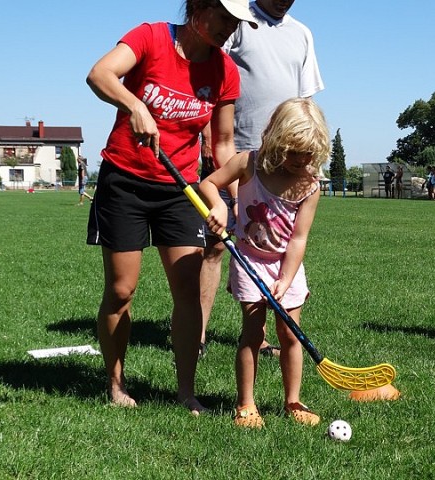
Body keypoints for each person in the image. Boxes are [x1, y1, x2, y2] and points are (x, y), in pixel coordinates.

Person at [85, 0, 257, 411]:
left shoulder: (224, 71)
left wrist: (230, 204)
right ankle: (116, 385)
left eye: (236, 22)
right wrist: (135, 105)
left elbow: (222, 143)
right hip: (125, 181)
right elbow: (99, 74)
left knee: (187, 291)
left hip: (180, 190)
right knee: (122, 290)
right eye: (223, 17)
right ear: (198, 7)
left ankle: (185, 391)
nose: (229, 29)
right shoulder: (150, 37)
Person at [199, 0, 324, 358]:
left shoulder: (301, 34)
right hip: (236, 152)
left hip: (286, 163)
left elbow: (306, 101)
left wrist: (305, 150)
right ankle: (199, 332)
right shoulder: (239, 20)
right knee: (217, 244)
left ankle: (261, 334)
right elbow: (210, 74)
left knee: (272, 243)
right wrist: (209, 137)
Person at [199, 97, 331, 428]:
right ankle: (246, 404)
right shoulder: (248, 163)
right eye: (293, 152)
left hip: (286, 264)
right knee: (253, 333)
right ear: (276, 139)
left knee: (290, 333)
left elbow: (298, 239)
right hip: (249, 260)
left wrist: (286, 280)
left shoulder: (309, 184)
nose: (301, 161)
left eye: (308, 155)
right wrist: (219, 206)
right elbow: (208, 184)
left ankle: (293, 402)